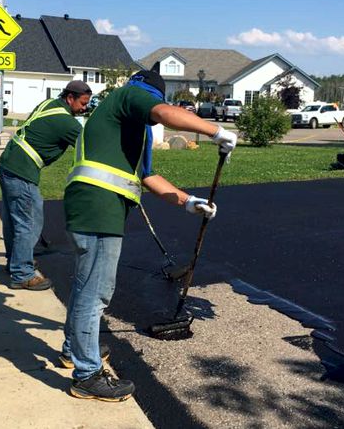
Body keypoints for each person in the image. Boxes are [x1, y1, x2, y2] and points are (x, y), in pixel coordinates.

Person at [61, 70, 237, 402]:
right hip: (98, 207)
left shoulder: (131, 128)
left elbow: (148, 177)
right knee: (95, 292)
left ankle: (75, 349)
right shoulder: (130, 96)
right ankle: (86, 374)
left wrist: (189, 202)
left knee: (86, 285)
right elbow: (165, 114)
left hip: (94, 206)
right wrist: (216, 131)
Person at [0, 80, 92, 290]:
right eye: (83, 103)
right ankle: (22, 273)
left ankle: (16, 263)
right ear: (70, 98)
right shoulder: (66, 122)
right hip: (22, 170)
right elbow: (90, 147)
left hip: (8, 163)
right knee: (28, 222)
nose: (85, 108)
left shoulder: (49, 104)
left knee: (14, 221)